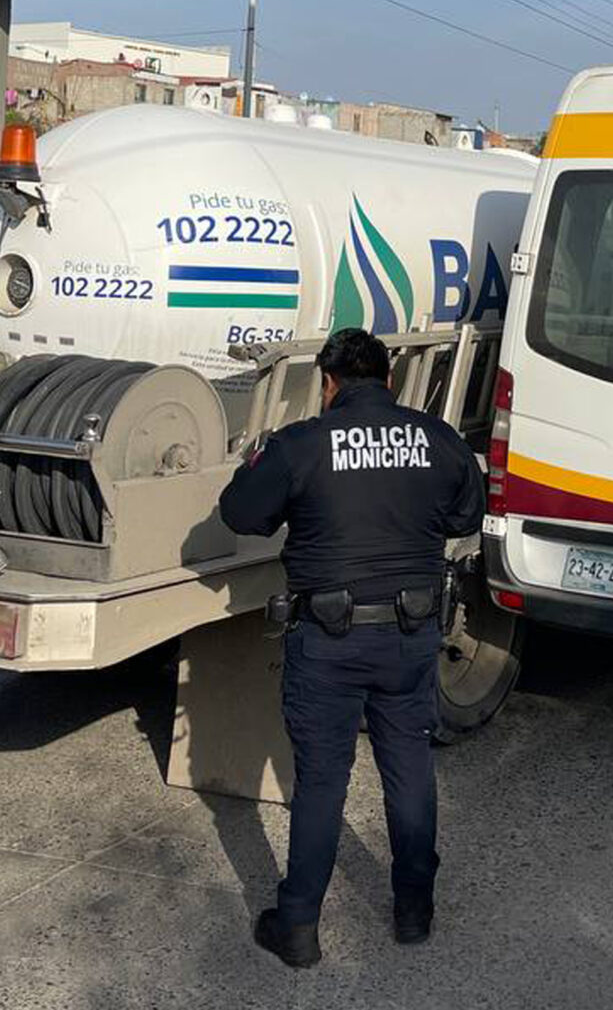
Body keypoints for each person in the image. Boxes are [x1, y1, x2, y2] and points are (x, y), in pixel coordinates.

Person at [217, 328, 486, 968]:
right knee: (411, 770)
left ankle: (300, 928)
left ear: (329, 384)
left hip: (329, 643)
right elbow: (465, 515)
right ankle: (414, 913)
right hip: (410, 638)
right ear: (388, 381)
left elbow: (239, 512)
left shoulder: (303, 445)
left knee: (321, 784)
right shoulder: (434, 438)